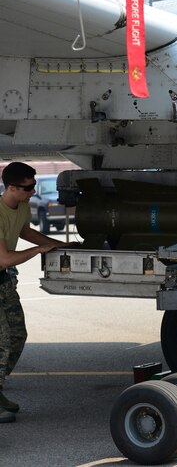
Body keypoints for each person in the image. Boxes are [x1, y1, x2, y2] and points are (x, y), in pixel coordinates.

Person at [0, 163, 74, 423]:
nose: (32, 191)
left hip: (4, 283)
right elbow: (5, 259)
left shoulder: (20, 207)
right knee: (3, 341)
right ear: (11, 187)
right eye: (28, 187)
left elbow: (26, 232)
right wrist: (37, 252)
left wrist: (63, 246)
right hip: (2, 271)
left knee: (18, 335)